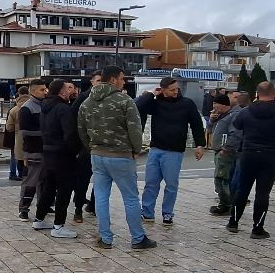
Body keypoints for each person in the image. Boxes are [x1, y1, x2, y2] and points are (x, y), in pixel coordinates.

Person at [78, 66, 157, 250]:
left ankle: (105, 238)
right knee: (130, 198)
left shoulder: (86, 102)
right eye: (122, 78)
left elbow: (81, 130)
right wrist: (136, 149)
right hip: (121, 156)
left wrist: (92, 146)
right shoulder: (124, 101)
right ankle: (138, 238)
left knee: (101, 196)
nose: (124, 82)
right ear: (113, 80)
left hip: (97, 155)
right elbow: (135, 130)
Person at [227, 82, 275, 239]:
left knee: (242, 189)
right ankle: (257, 228)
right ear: (274, 93)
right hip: (270, 155)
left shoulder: (246, 111)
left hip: (248, 154)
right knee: (263, 192)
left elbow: (237, 125)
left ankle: (233, 222)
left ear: (257, 94)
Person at [137, 77, 206, 226]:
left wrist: (200, 144)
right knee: (151, 183)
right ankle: (147, 212)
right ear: (163, 90)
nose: (175, 92)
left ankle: (167, 213)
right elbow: (137, 106)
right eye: (172, 89)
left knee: (171, 185)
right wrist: (149, 95)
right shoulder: (155, 103)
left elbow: (197, 124)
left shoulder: (187, 104)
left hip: (174, 151)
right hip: (155, 149)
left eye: (177, 89)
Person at [31, 80, 80, 238]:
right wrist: (76, 151)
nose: (70, 91)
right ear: (62, 92)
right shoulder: (63, 109)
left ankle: (39, 219)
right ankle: (58, 225)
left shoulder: (44, 107)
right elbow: (70, 134)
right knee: (64, 191)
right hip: (63, 156)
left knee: (49, 188)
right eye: (67, 89)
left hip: (48, 153)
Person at [71, 72, 102, 218]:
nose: (100, 83)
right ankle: (78, 206)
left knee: (101, 178)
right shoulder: (84, 97)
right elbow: (74, 118)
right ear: (92, 82)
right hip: (86, 146)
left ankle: (93, 205)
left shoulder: (107, 98)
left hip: (102, 146)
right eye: (98, 80)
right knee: (83, 177)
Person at [17, 79, 48, 220]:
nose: (45, 91)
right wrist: (45, 133)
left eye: (45, 89)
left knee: (44, 181)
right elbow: (24, 132)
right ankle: (24, 208)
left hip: (45, 149)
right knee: (31, 181)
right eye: (42, 89)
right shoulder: (26, 108)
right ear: (33, 91)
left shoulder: (45, 105)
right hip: (33, 149)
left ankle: (43, 206)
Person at [208, 94, 237, 216]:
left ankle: (226, 205)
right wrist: (211, 120)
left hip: (225, 152)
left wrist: (225, 149)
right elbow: (209, 130)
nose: (214, 107)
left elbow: (234, 134)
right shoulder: (218, 117)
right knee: (222, 178)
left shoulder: (232, 116)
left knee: (221, 179)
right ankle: (227, 203)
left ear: (225, 105)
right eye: (213, 104)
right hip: (217, 151)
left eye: (216, 104)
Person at [4, 87, 30, 182]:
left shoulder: (14, 110)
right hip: (35, 140)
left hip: (19, 139)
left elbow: (9, 127)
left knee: (18, 158)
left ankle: (18, 175)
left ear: (18, 94)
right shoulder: (36, 106)